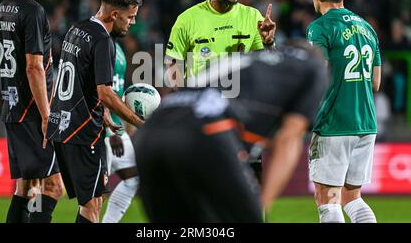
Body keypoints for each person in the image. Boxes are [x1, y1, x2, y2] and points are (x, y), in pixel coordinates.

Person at [135, 40, 327, 222]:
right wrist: (259, 210)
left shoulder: (245, 60)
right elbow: (288, 139)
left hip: (150, 132)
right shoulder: (313, 69)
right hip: (206, 129)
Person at [46, 0, 144, 223]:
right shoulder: (103, 41)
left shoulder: (76, 29)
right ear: (114, 14)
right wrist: (139, 122)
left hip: (62, 127)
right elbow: (104, 92)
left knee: (92, 202)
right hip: (84, 133)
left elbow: (78, 81)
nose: (132, 23)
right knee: (91, 207)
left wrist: (105, 115)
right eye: (130, 17)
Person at [0, 0, 64, 223]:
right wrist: (47, 115)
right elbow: (33, 66)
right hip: (32, 111)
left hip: (12, 107)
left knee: (27, 186)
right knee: (53, 187)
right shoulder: (32, 11)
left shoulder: (1, 10)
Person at [307, 0, 381, 223]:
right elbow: (376, 82)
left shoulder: (320, 28)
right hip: (366, 123)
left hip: (334, 124)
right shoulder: (367, 28)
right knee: (353, 197)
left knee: (327, 198)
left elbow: (319, 76)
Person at [166, 0, 276, 81]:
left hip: (239, 95)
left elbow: (265, 65)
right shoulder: (187, 19)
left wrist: (269, 43)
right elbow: (173, 62)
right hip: (202, 95)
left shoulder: (253, 16)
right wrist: (184, 94)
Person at [101, 41, 140, 223]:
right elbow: (97, 89)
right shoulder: (100, 44)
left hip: (117, 128)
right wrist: (109, 131)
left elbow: (116, 91)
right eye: (129, 16)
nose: (131, 22)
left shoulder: (119, 48)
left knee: (133, 178)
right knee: (96, 193)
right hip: (102, 130)